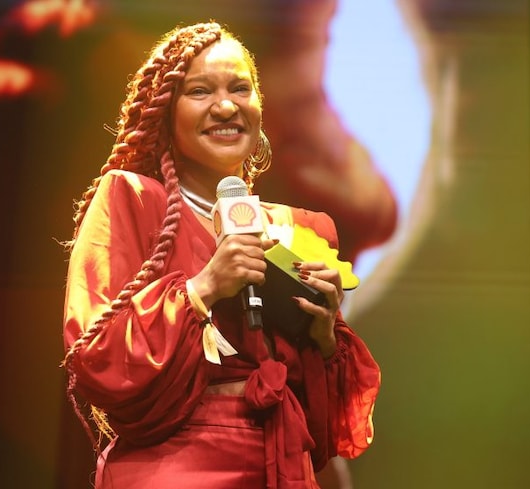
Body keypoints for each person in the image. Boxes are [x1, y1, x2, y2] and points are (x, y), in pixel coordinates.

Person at [60, 21, 382, 488]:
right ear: (166, 111)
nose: (226, 105)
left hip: (282, 467)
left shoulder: (305, 230)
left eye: (240, 88)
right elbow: (97, 357)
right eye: (200, 91)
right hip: (175, 468)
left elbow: (331, 431)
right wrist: (204, 288)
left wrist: (324, 336)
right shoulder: (132, 200)